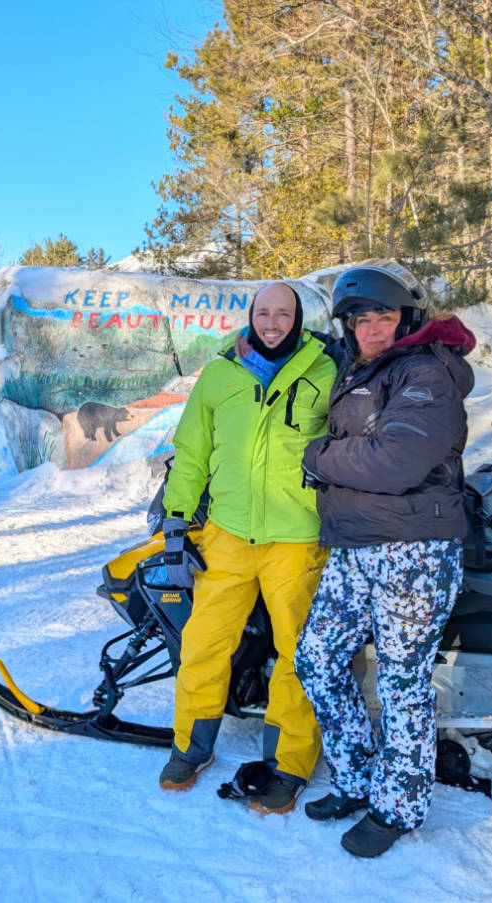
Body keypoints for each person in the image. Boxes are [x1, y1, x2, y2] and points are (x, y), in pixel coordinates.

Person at [294, 263, 476, 857]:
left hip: (413, 553)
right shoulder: (365, 369)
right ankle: (355, 775)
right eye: (361, 319)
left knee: (401, 681)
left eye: (384, 316)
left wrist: (318, 455)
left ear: (408, 318)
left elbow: (394, 462)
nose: (373, 328)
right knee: (317, 659)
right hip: (355, 547)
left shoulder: (427, 372)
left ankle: (400, 805)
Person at [157, 280, 338, 814]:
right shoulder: (219, 375)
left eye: (284, 313)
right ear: (250, 316)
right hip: (228, 534)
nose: (273, 322)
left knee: (297, 653)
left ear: (299, 319)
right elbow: (191, 452)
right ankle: (191, 746)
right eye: (264, 312)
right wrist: (175, 522)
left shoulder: (326, 372)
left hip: (297, 538)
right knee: (204, 644)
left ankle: (288, 761)